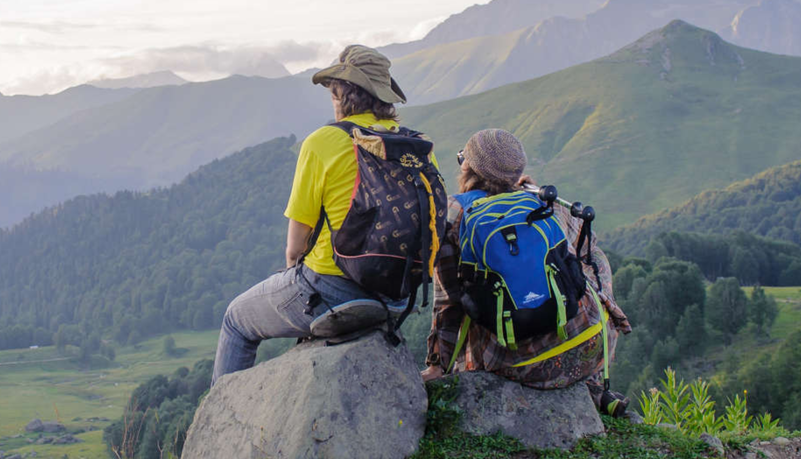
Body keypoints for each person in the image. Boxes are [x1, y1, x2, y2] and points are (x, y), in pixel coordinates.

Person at [210, 44, 435, 384]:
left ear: (343, 95)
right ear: (384, 96)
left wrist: (299, 289)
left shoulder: (323, 141)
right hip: (397, 296)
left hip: (333, 290)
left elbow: (295, 248)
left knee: (236, 320)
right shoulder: (416, 146)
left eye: (334, 91)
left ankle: (218, 428)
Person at [419, 129, 633, 413]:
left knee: (477, 298)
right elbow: (591, 260)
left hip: (520, 365)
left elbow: (449, 304)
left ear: (467, 167)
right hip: (588, 351)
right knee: (588, 263)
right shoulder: (543, 203)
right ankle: (595, 389)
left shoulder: (455, 213)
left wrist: (438, 364)